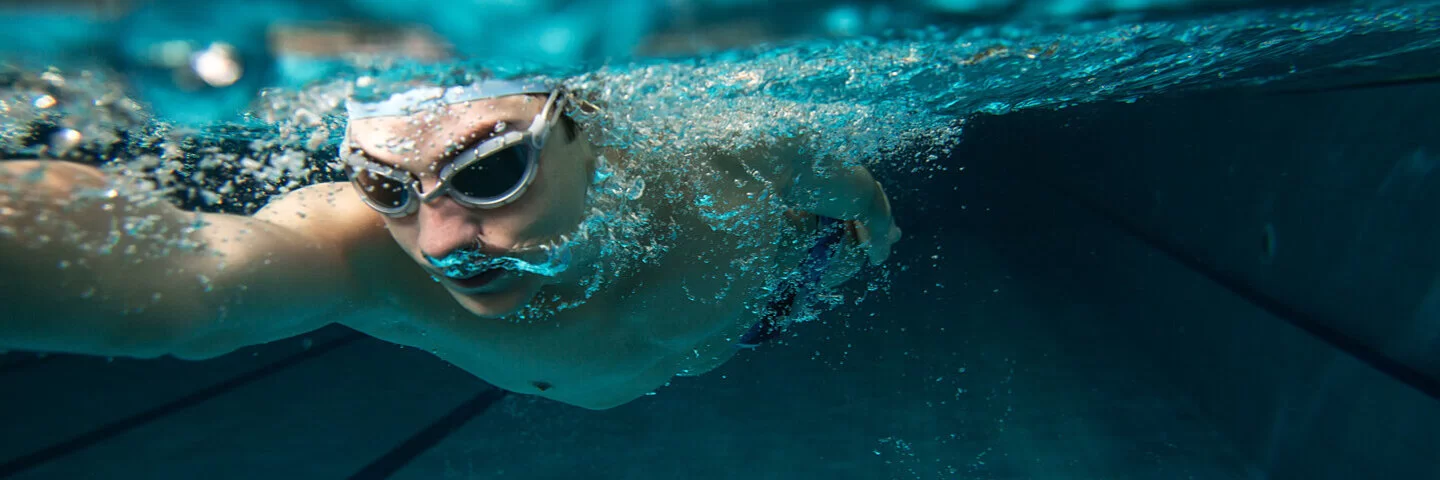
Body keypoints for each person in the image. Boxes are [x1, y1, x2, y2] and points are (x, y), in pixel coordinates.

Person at [0, 78, 900, 410]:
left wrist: (879, 232)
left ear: (585, 118)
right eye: (386, 186)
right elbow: (189, 288)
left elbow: (848, 190)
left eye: (490, 170)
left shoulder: (738, 152)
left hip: (780, 293)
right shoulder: (359, 255)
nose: (435, 240)